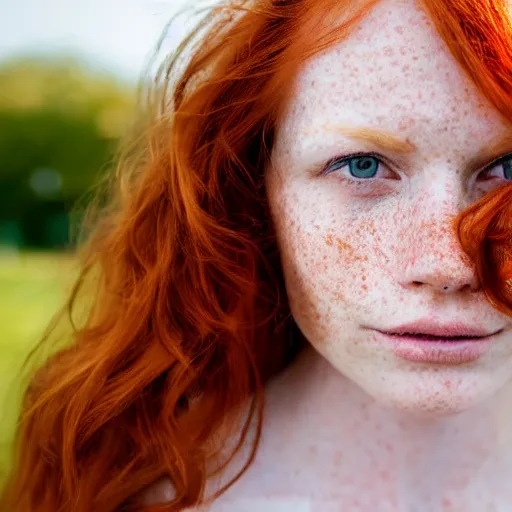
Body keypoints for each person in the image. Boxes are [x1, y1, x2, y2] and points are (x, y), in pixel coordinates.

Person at [3, 0, 512, 510]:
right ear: (256, 189)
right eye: (361, 166)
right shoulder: (146, 495)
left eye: (507, 169)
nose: (449, 265)